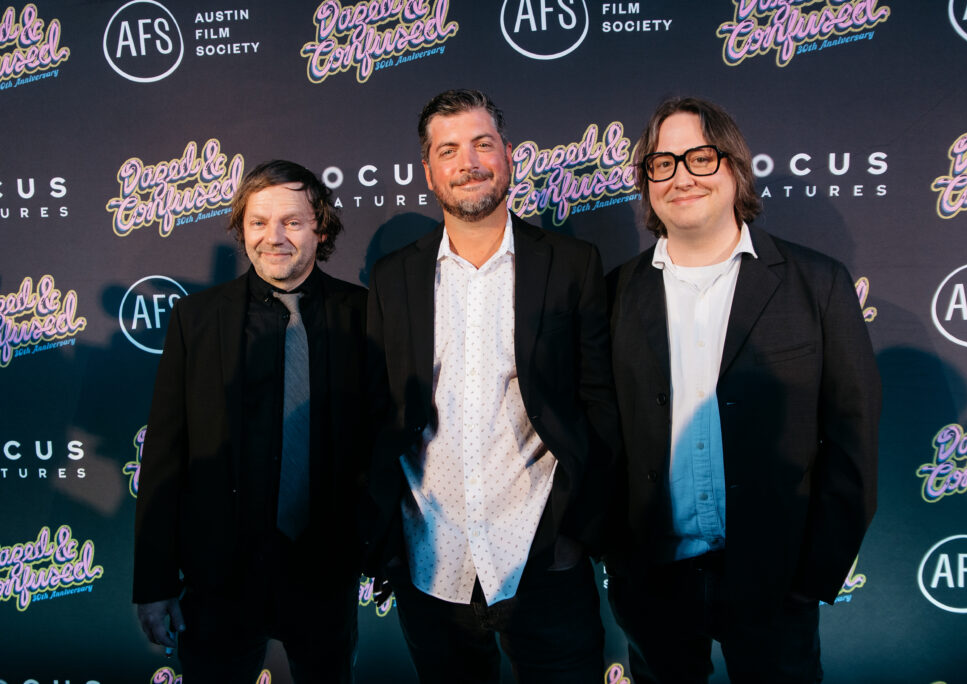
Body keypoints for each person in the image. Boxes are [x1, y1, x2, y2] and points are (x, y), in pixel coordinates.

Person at [605, 97, 881, 684]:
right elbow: (597, 434)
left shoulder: (819, 284)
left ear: (735, 169)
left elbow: (853, 437)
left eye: (701, 157)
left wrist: (811, 578)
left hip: (776, 582)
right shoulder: (612, 296)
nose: (681, 176)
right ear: (647, 182)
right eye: (662, 163)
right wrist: (620, 560)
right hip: (654, 582)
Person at [365, 89, 619, 683]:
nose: (468, 162)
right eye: (448, 150)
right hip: (432, 561)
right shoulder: (394, 276)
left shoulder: (571, 263)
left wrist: (577, 533)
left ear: (509, 155)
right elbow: (377, 409)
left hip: (543, 556)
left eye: (483, 144)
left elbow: (600, 404)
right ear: (428, 171)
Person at [132, 159, 371, 683]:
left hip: (325, 574)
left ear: (321, 227)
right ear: (242, 229)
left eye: (292, 221)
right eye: (258, 222)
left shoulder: (365, 315)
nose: (274, 237)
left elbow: (385, 442)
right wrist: (153, 583)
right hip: (219, 579)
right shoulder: (196, 318)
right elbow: (165, 456)